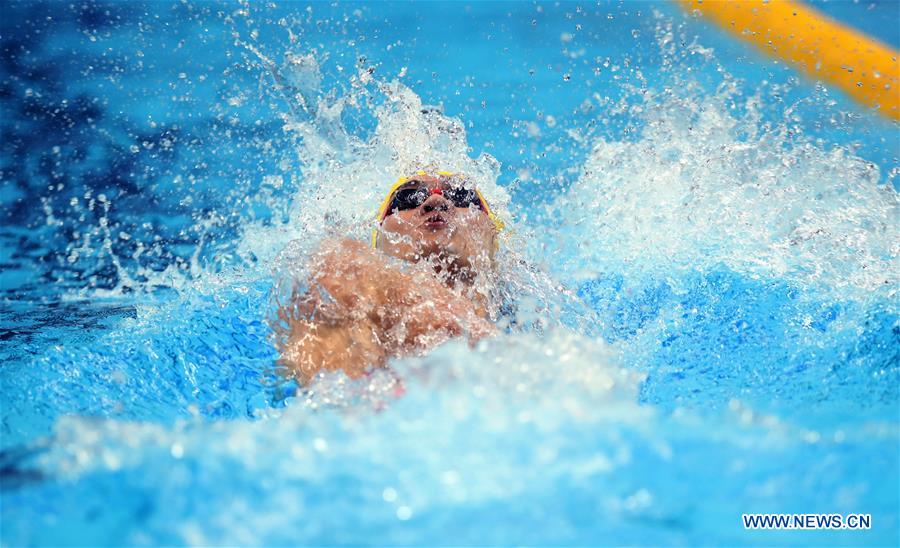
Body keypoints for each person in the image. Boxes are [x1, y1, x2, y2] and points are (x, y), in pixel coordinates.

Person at [278, 170, 506, 383]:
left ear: (493, 236)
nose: (435, 201)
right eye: (408, 198)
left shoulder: (523, 324)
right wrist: (448, 314)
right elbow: (335, 266)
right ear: (379, 243)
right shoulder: (347, 309)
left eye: (461, 195)